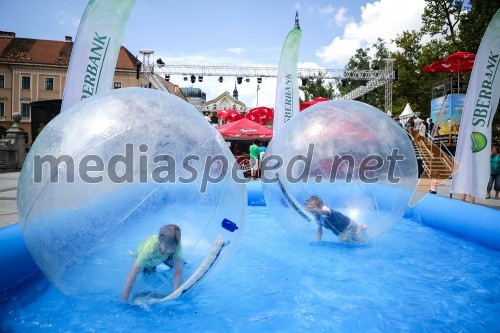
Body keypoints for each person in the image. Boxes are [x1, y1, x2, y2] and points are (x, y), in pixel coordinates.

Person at [122, 224, 184, 302]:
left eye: (173, 248)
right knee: (149, 273)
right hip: (150, 259)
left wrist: (176, 292)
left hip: (162, 255)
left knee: (178, 262)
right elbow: (132, 276)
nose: (170, 251)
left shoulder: (175, 244)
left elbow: (178, 270)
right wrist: (125, 299)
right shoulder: (149, 251)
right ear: (159, 241)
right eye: (167, 247)